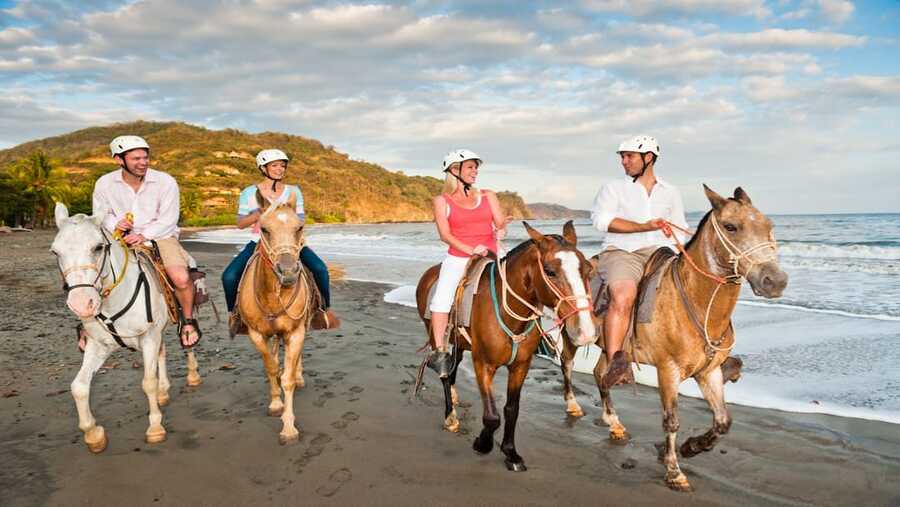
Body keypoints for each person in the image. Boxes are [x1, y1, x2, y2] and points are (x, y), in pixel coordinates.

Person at [590, 135, 689, 388]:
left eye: (629, 156)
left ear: (648, 158)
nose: (624, 161)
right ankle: (615, 364)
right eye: (622, 156)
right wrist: (643, 227)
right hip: (623, 252)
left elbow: (681, 228)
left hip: (661, 252)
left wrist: (676, 237)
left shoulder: (671, 191)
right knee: (623, 296)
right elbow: (603, 221)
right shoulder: (613, 188)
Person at [93, 135, 201, 347]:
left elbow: (169, 219)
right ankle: (89, 323)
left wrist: (143, 236)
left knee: (180, 278)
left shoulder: (165, 181)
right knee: (91, 272)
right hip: (118, 236)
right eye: (136, 159)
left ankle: (188, 321)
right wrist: (116, 223)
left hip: (160, 236)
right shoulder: (104, 183)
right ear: (119, 159)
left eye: (145, 157)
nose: (143, 163)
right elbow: (101, 213)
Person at [221, 149, 339, 335]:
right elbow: (240, 223)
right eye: (275, 165)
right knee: (228, 276)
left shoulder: (294, 191)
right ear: (263, 167)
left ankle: (323, 310)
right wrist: (259, 214)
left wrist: (289, 223)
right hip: (260, 241)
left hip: (291, 242)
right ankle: (235, 315)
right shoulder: (249, 193)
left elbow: (300, 219)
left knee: (320, 269)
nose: (280, 169)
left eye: (282, 165)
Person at [427, 149, 511, 377]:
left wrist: (502, 229)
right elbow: (445, 234)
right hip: (460, 256)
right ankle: (440, 351)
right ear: (455, 170)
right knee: (441, 299)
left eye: (476, 167)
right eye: (471, 167)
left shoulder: (488, 195)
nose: (475, 172)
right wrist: (469, 250)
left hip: (491, 253)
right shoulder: (441, 201)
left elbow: (500, 223)